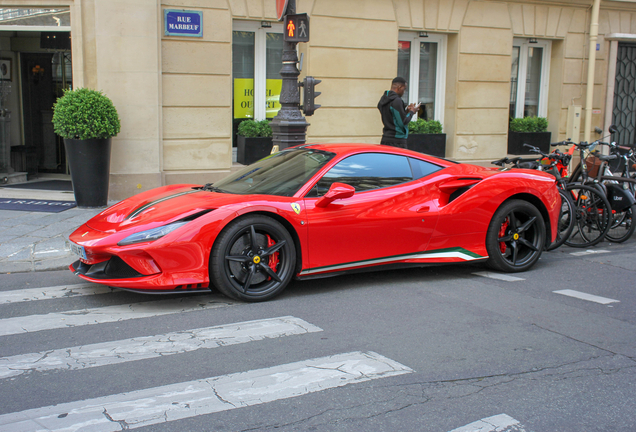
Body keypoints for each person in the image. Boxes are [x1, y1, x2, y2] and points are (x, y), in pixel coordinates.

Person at [377, 77, 420, 148]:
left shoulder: (384, 99)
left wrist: (406, 111)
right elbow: (403, 122)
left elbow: (392, 115)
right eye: (404, 89)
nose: (404, 92)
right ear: (399, 87)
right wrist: (412, 111)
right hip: (397, 140)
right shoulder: (397, 100)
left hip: (386, 138)